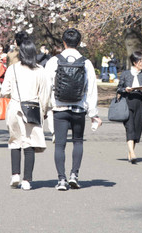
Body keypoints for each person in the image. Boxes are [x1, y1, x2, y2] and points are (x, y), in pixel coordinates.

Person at [45, 27, 101, 191]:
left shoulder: (53, 61)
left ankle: (61, 179)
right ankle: (74, 175)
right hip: (79, 108)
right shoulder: (86, 63)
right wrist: (93, 113)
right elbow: (91, 89)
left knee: (59, 145)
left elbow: (46, 86)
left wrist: (46, 108)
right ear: (79, 42)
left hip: (59, 108)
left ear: (63, 42)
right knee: (78, 141)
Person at [1, 37, 51, 191]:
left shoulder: (13, 69)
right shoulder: (40, 71)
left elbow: (4, 91)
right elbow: (45, 94)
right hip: (33, 109)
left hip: (15, 108)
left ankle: (15, 174)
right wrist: (43, 111)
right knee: (29, 143)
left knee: (15, 141)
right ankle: (27, 180)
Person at [116, 51, 142, 163]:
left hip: (139, 103)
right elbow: (119, 88)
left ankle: (130, 153)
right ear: (135, 62)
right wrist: (125, 89)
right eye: (141, 61)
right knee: (130, 127)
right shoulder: (125, 74)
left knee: (137, 128)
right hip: (127, 103)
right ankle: (132, 152)